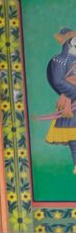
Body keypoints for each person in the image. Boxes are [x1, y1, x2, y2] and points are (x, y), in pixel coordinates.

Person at [46, 28, 76, 173]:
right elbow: (57, 81)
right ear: (68, 42)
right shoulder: (59, 60)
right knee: (74, 136)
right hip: (69, 103)